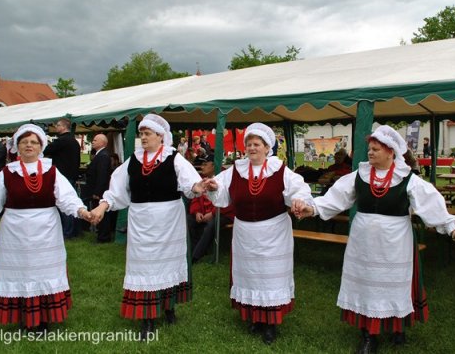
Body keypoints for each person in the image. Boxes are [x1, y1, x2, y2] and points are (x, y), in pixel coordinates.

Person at [292, 125, 455, 354]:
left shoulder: (408, 179)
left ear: (391, 152)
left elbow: (430, 205)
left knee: (393, 285)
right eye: (370, 149)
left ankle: (397, 326)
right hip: (363, 242)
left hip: (395, 242)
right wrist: (311, 208)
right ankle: (368, 335)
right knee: (366, 285)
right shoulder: (359, 176)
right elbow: (335, 198)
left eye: (375, 149)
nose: (370, 153)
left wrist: (453, 230)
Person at [0, 124, 90, 332]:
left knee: (43, 271)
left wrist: (82, 211)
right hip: (15, 231)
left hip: (46, 230)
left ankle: (44, 318)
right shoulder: (7, 173)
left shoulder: (51, 172)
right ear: (17, 146)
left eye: (33, 142)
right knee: (21, 272)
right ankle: (22, 317)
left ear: (41, 147)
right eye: (24, 142)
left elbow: (67, 198)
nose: (29, 145)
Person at [89, 114, 206, 341]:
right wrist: (102, 207)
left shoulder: (174, 158)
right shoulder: (133, 160)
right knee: (144, 267)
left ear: (160, 137)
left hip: (169, 221)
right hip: (141, 221)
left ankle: (169, 307)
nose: (143, 137)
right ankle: (147, 318)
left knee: (168, 265)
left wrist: (199, 186)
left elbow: (190, 183)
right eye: (141, 134)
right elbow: (116, 190)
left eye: (147, 133)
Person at [204, 123, 314, 345]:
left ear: (267, 148)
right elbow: (221, 191)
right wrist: (213, 186)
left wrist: (300, 199)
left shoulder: (280, 169)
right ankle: (254, 317)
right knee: (250, 276)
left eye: (256, 144)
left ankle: (270, 323)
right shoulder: (236, 169)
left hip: (273, 233)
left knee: (270, 277)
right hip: (245, 233)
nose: (251, 148)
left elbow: (299, 188)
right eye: (249, 144)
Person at [187, 154, 235, 263]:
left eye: (205, 164)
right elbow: (196, 198)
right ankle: (195, 249)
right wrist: (197, 212)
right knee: (189, 220)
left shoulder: (225, 178)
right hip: (204, 213)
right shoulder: (202, 179)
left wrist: (213, 213)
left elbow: (228, 200)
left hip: (224, 213)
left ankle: (195, 256)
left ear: (213, 166)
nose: (202, 167)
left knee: (213, 224)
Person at [44, 118, 81, 239]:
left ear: (64, 127)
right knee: (72, 202)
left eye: (57, 125)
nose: (55, 127)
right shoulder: (74, 141)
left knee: (64, 204)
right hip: (72, 174)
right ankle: (74, 230)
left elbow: (46, 150)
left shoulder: (62, 140)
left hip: (63, 176)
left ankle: (67, 231)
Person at [81, 134, 113, 243]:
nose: (92, 142)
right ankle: (101, 235)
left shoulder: (103, 156)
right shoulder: (100, 154)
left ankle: (103, 237)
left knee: (101, 214)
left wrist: (97, 192)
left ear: (102, 142)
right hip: (97, 190)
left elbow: (102, 176)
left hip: (100, 192)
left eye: (95, 140)